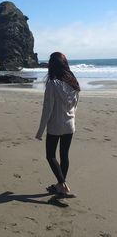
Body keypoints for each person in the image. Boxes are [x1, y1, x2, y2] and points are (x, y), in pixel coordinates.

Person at [35, 52, 80, 196]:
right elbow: (75, 105)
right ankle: (60, 185)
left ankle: (62, 184)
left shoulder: (53, 84)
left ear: (52, 66)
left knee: (50, 155)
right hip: (70, 124)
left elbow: (47, 109)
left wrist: (40, 131)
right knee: (64, 155)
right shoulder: (73, 83)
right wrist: (71, 119)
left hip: (56, 125)